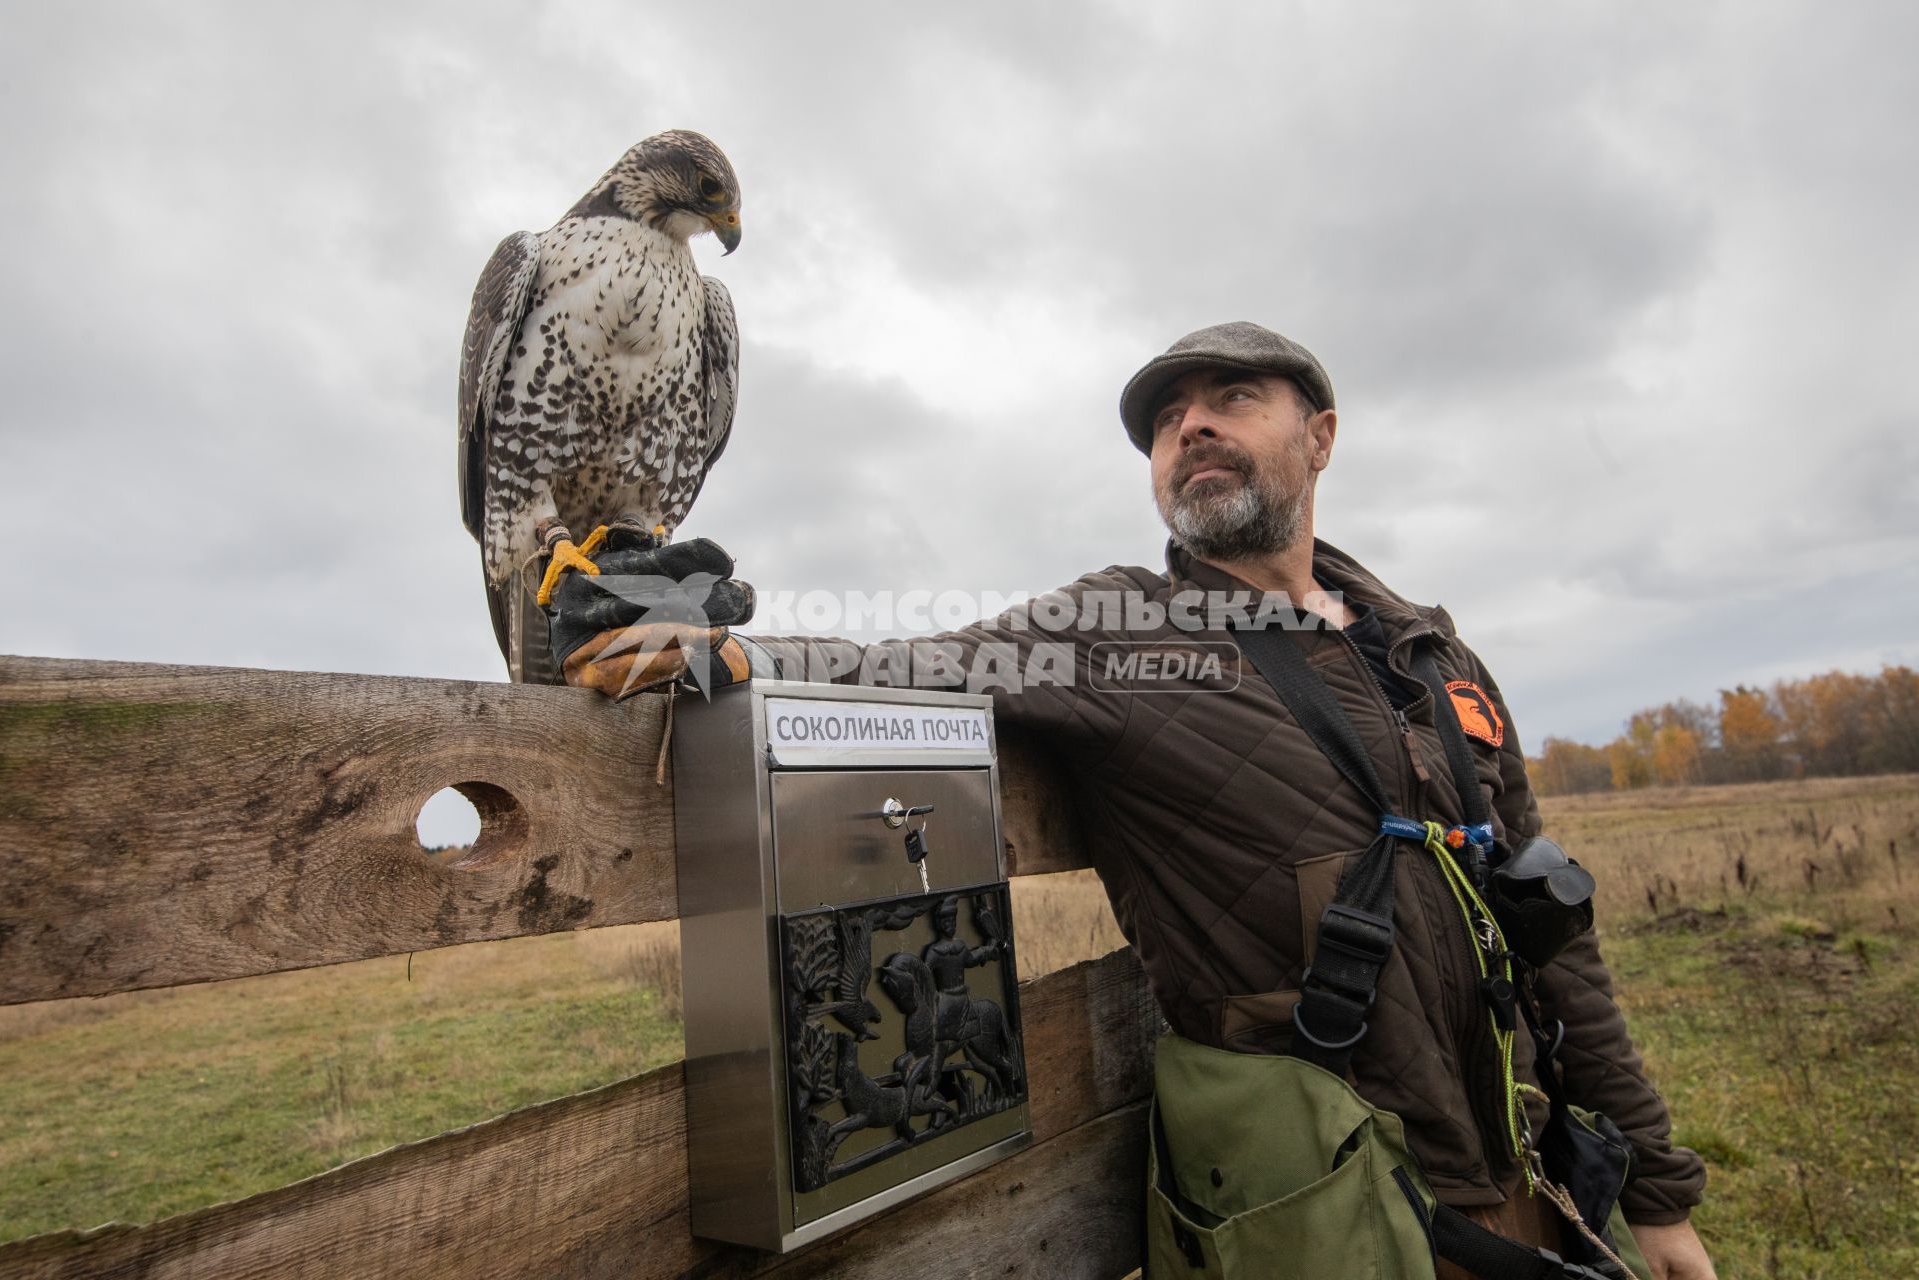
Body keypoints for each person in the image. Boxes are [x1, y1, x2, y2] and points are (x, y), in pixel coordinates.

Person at [548, 322, 1716, 1279]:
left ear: (1320, 438)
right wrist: (717, 645)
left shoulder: (1431, 655)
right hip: (1331, 1205)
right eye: (1167, 420)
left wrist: (1658, 1191)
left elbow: (1555, 940)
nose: (1190, 426)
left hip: (1534, 1183)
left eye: (1232, 397)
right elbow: (907, 660)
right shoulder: (1115, 629)